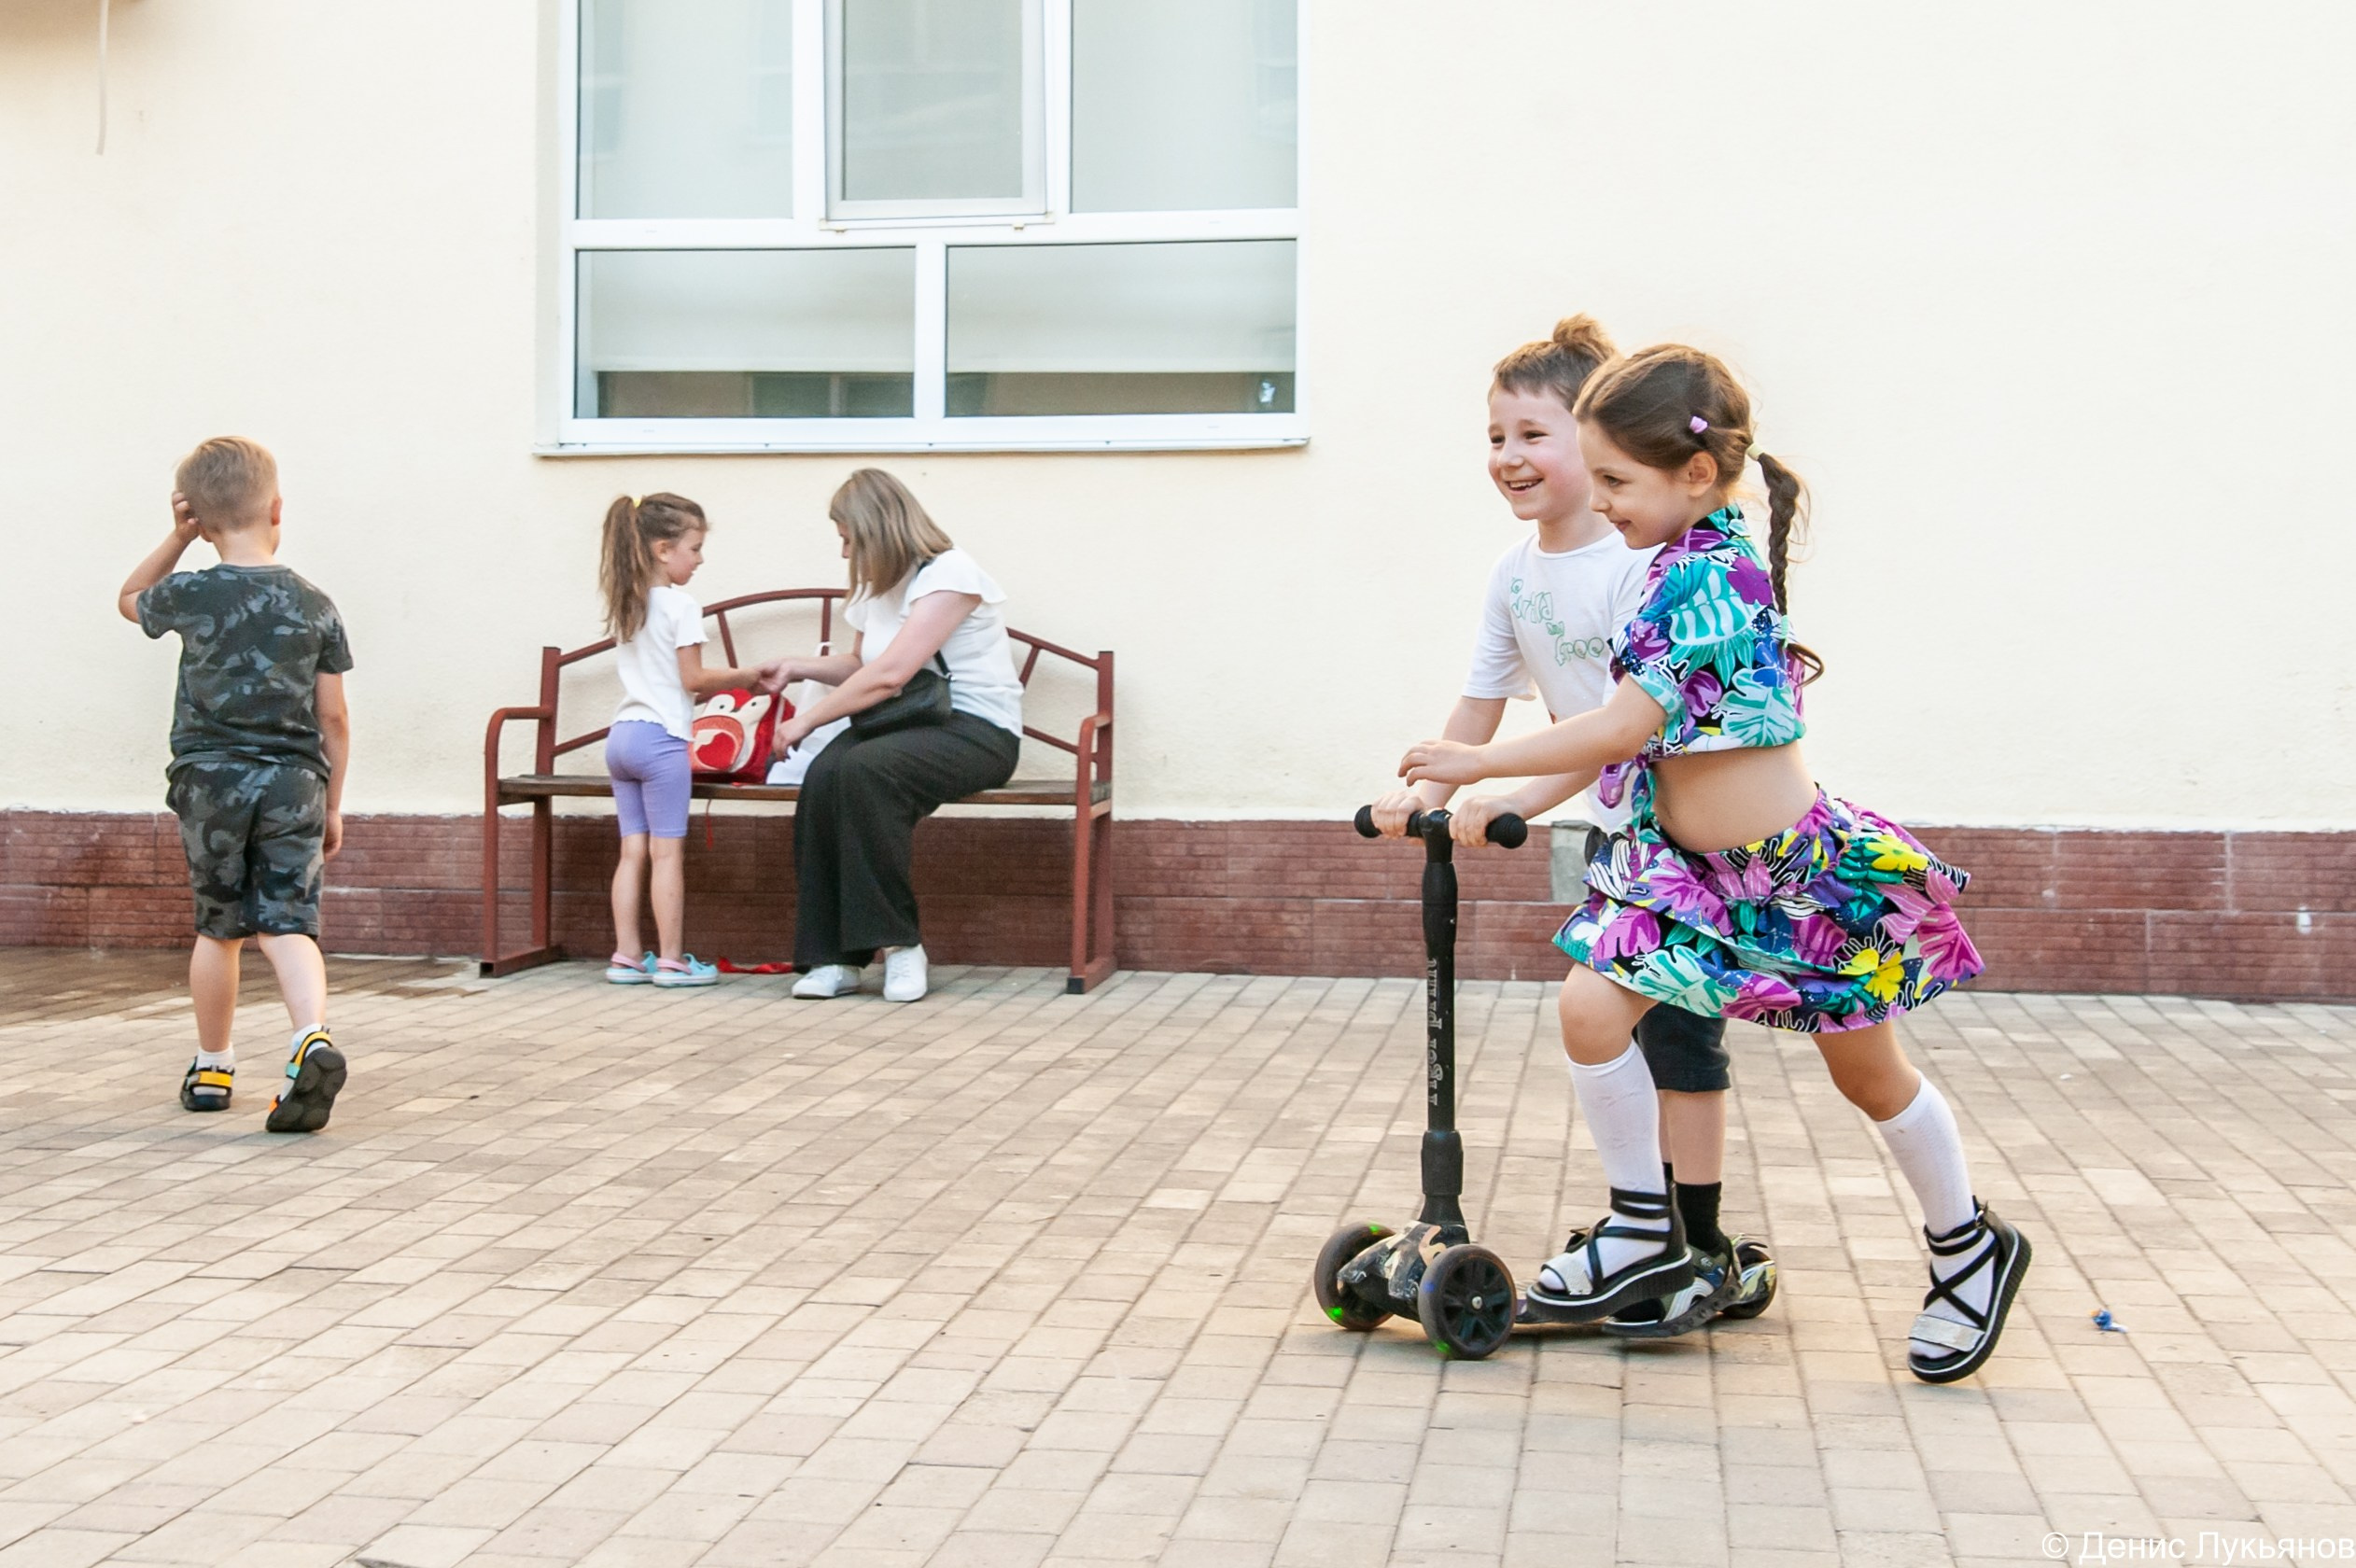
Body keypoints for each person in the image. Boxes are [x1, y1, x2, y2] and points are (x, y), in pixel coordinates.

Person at [1400, 344, 2028, 1383]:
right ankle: (1646, 1229)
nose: (1599, 503)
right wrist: (1493, 787)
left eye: (1615, 482)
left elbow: (1627, 721)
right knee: (1589, 1011)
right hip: (1685, 878)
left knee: (1868, 1077)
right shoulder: (1660, 561)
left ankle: (1969, 1247)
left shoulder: (1708, 571)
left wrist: (1479, 762)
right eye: (1593, 478)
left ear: (1694, 474)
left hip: (1797, 884)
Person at [1368, 315, 1773, 1339]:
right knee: (1619, 1035)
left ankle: (1697, 1239)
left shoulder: (1639, 564)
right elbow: (1481, 708)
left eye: (1533, 435)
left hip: (1680, 837)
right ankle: (1654, 1231)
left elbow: (1615, 731)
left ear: (1597, 453)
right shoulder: (1516, 576)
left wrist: (1497, 796)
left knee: (1681, 1048)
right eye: (1496, 435)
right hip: (1615, 835)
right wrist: (1419, 797)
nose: (1509, 457)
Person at [117, 437, 353, 1133]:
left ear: (201, 518)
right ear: (277, 507)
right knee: (288, 922)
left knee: (219, 928)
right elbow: (333, 716)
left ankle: (214, 1067)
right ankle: (310, 1038)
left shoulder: (191, 592)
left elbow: (129, 599)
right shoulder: (314, 603)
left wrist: (177, 537)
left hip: (210, 780)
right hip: (294, 782)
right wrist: (332, 803)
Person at [765, 469, 1024, 1004]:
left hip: (976, 730)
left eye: (848, 539)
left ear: (876, 530)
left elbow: (891, 675)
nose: (844, 554)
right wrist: (796, 666)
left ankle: (901, 947)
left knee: (864, 772)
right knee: (824, 776)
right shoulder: (878, 588)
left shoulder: (951, 573)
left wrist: (805, 721)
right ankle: (834, 957)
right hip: (904, 726)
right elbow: (862, 664)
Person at [596, 492, 779, 988]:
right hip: (660, 745)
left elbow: (667, 683)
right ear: (663, 550)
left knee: (632, 851)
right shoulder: (680, 604)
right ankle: (674, 960)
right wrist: (747, 677)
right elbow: (693, 680)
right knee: (667, 853)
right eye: (694, 548)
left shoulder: (628, 601)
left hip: (622, 739)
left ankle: (628, 956)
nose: (700, 559)